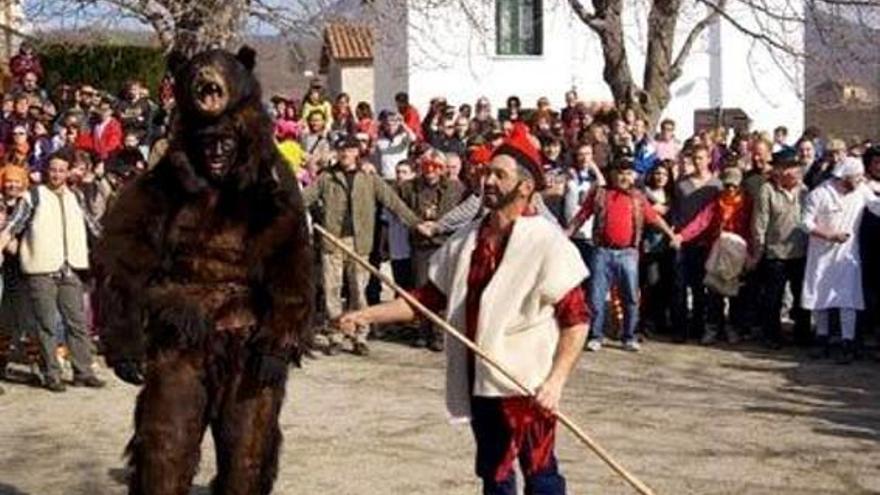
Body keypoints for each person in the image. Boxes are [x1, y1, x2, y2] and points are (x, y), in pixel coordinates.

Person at [337, 128, 589, 495]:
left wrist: (556, 381)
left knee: (540, 472)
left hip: (527, 383)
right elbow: (425, 300)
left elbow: (577, 320)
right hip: (480, 378)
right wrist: (366, 314)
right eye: (487, 172)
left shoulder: (549, 244)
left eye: (499, 175)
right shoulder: (465, 240)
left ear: (524, 187)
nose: (487, 179)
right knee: (495, 473)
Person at [302, 136, 420, 356]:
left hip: (360, 242)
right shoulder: (327, 177)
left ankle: (360, 335)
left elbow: (392, 201)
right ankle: (336, 335)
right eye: (341, 150)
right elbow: (304, 198)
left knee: (359, 291)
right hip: (332, 240)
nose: (345, 154)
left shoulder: (369, 177)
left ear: (357, 152)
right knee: (332, 291)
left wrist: (416, 224)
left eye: (349, 149)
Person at [6, 151, 104, 391]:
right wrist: (5, 244)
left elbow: (93, 228)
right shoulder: (33, 196)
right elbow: (13, 226)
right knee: (46, 324)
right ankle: (52, 373)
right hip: (41, 268)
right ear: (46, 171)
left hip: (71, 268)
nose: (57, 174)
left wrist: (112, 247)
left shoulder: (77, 196)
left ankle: (83, 371)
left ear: (68, 171)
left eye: (61, 170)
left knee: (77, 323)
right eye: (53, 169)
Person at [566, 155, 678, 352]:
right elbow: (582, 215)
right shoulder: (600, 194)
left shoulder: (638, 197)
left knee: (631, 298)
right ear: (612, 174)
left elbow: (653, 218)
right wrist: (566, 235)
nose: (624, 177)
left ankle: (629, 336)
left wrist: (671, 235)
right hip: (602, 251)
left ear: (633, 175)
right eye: (620, 173)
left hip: (628, 253)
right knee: (596, 297)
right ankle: (595, 336)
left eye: (628, 173)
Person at [802, 157, 880, 363]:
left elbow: (876, 206)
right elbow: (805, 222)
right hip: (821, 255)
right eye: (856, 177)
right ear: (844, 177)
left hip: (847, 256)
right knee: (820, 297)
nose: (861, 179)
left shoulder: (861, 191)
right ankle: (822, 338)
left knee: (848, 300)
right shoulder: (819, 194)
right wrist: (827, 235)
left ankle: (848, 342)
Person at [675, 167, 752, 345]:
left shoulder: (747, 203)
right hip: (716, 251)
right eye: (727, 185)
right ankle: (712, 327)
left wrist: (751, 254)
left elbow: (752, 228)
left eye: (734, 186)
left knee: (736, 292)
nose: (730, 189)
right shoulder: (716, 203)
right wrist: (682, 235)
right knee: (714, 291)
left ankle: (733, 327)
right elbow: (701, 222)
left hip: (739, 251)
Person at [398, 151, 465, 350]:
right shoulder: (410, 187)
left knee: (441, 288)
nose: (431, 172)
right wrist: (416, 224)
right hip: (420, 244)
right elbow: (398, 205)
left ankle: (438, 333)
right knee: (420, 288)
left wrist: (440, 226)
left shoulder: (456, 188)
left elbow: (464, 213)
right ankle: (422, 331)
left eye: (435, 167)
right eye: (427, 166)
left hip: (445, 243)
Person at [751, 149, 811, 348]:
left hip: (800, 251)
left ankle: (803, 335)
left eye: (795, 168)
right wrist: (759, 250)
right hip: (775, 252)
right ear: (778, 171)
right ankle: (771, 336)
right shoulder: (767, 190)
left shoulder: (804, 190)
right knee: (773, 297)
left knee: (801, 295)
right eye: (787, 168)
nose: (792, 172)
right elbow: (760, 223)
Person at [670, 144, 722, 342]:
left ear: (709, 159)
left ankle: (699, 326)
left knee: (702, 288)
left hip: (706, 244)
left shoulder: (716, 186)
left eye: (702, 158)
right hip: (683, 242)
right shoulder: (682, 184)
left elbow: (711, 217)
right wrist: (676, 231)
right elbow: (675, 210)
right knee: (680, 286)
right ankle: (680, 328)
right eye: (695, 158)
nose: (699, 162)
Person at [561, 142, 605, 291]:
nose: (584, 158)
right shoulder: (569, 174)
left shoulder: (595, 179)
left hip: (588, 234)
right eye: (581, 154)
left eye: (588, 154)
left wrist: (594, 168)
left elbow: (603, 187)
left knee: (587, 276)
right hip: (570, 231)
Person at [374, 111, 416, 181]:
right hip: (386, 177)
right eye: (388, 124)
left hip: (401, 177)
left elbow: (413, 138)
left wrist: (403, 123)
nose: (391, 127)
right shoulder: (379, 140)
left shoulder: (403, 137)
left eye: (394, 124)